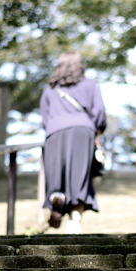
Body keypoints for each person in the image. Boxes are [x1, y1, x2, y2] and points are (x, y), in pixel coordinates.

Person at [39, 50, 106, 234]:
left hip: (55, 132)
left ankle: (56, 197)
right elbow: (99, 114)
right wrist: (97, 132)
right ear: (81, 65)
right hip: (82, 132)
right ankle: (74, 222)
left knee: (56, 175)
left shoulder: (50, 89)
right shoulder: (90, 85)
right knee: (80, 178)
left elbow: (44, 117)